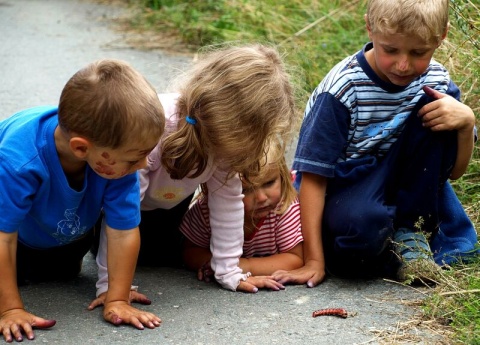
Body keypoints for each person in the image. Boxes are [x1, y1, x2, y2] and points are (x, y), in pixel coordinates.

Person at [273, 0, 478, 287]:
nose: (403, 64)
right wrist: (313, 261)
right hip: (348, 186)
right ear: (370, 28)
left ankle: (409, 231)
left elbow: (454, 172)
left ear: (441, 37)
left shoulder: (436, 80)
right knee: (359, 237)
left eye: (418, 52)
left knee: (444, 113)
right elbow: (313, 177)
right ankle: (388, 247)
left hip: (408, 187)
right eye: (390, 50)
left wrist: (466, 123)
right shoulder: (342, 90)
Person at [89, 44, 297, 306]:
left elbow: (227, 205)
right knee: (70, 259)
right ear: (233, 124)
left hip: (164, 204)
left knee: (159, 258)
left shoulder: (222, 143)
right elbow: (122, 210)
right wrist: (111, 286)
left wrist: (229, 271)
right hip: (110, 201)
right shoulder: (153, 128)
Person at [0, 59, 165, 343]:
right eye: (134, 157)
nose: (143, 164)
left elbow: (123, 231)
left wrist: (117, 299)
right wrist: (10, 309)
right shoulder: (18, 161)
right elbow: (2, 237)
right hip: (11, 232)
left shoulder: (117, 157)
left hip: (59, 230)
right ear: (80, 148)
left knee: (61, 271)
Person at [179, 139, 303, 289]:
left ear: (283, 177)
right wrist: (213, 264)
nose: (262, 198)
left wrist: (244, 265)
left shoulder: (284, 208)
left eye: (269, 183)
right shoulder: (207, 210)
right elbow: (190, 252)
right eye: (245, 190)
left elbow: (295, 258)